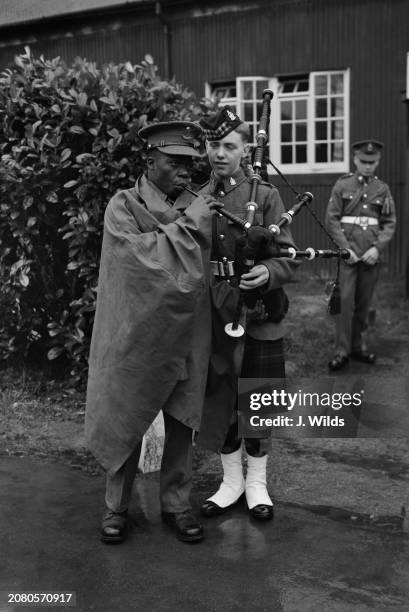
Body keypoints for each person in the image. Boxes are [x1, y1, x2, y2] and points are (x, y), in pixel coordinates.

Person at [85, 121, 221, 544]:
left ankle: (177, 505)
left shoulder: (201, 205)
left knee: (182, 421)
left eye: (190, 163)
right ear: (149, 160)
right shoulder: (122, 206)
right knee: (127, 416)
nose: (185, 171)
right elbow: (136, 263)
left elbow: (204, 268)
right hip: (136, 336)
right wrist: (191, 225)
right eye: (174, 162)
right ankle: (116, 507)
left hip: (187, 333)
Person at [195, 106, 298, 521]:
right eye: (214, 145)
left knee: (257, 397)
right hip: (215, 311)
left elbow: (288, 255)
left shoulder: (266, 195)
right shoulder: (199, 198)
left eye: (229, 146)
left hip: (257, 312)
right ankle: (230, 482)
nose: (220, 153)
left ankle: (256, 484)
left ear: (245, 151)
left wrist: (268, 271)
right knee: (220, 397)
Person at [325, 140, 396, 371]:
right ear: (355, 159)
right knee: (345, 304)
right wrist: (345, 249)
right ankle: (342, 351)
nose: (367, 166)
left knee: (365, 304)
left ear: (378, 162)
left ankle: (358, 346)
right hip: (349, 256)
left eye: (372, 162)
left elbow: (389, 222)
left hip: (370, 255)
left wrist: (377, 249)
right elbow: (332, 219)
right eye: (363, 161)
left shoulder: (382, 189)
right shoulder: (343, 185)